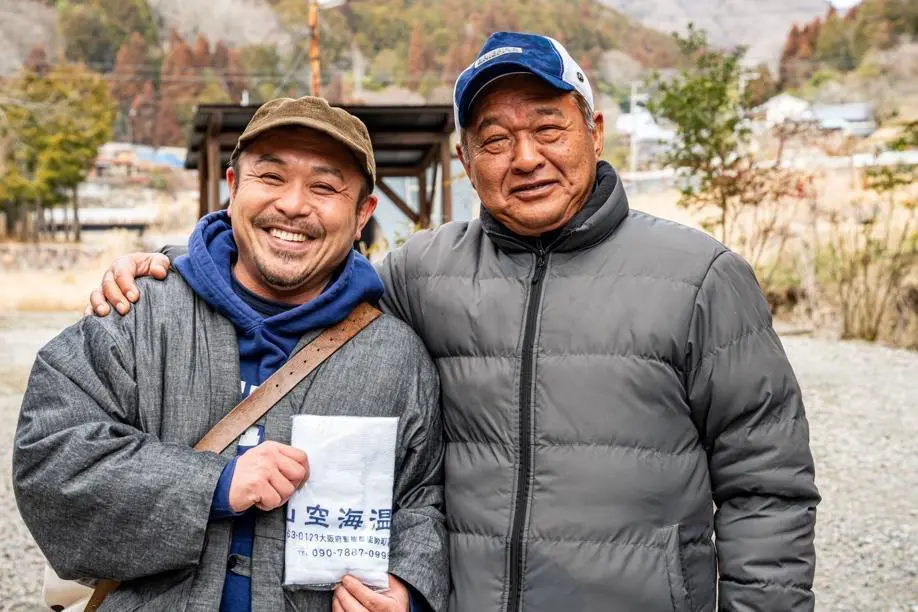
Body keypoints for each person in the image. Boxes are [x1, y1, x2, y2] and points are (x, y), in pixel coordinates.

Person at [86, 32, 820, 612]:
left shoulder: (699, 277)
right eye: (495, 140)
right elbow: (297, 272)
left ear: (593, 129)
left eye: (548, 127)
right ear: (466, 161)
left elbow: (767, 484)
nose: (525, 157)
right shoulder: (418, 272)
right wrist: (170, 265)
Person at [15, 96, 447, 612]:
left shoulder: (395, 356)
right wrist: (215, 483)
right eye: (271, 177)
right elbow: (52, 456)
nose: (292, 205)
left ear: (362, 215)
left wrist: (409, 590)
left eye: (325, 187)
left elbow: (426, 500)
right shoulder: (138, 312)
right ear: (233, 188)